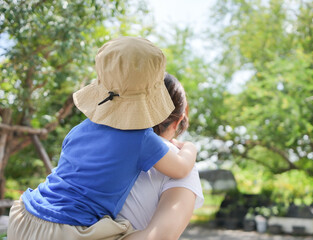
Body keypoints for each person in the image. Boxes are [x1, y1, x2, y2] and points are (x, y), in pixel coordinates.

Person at [7, 37, 197, 240]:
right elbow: (181, 168)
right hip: (69, 230)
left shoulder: (81, 128)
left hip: (25, 215)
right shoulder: (142, 138)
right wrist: (189, 147)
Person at [118, 73, 204, 240]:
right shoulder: (180, 161)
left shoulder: (97, 144)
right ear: (177, 121)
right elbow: (160, 237)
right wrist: (190, 148)